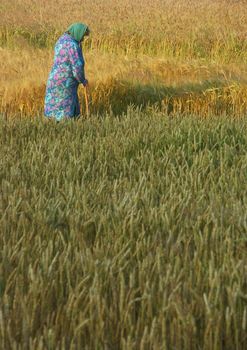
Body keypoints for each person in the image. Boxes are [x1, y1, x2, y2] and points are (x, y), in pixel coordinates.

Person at [44, 23, 90, 121]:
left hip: (54, 79)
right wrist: (83, 80)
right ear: (77, 32)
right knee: (65, 113)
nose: (82, 39)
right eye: (82, 36)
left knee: (53, 111)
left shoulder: (61, 40)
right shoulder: (73, 45)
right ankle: (66, 131)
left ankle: (53, 129)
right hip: (65, 83)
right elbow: (77, 67)